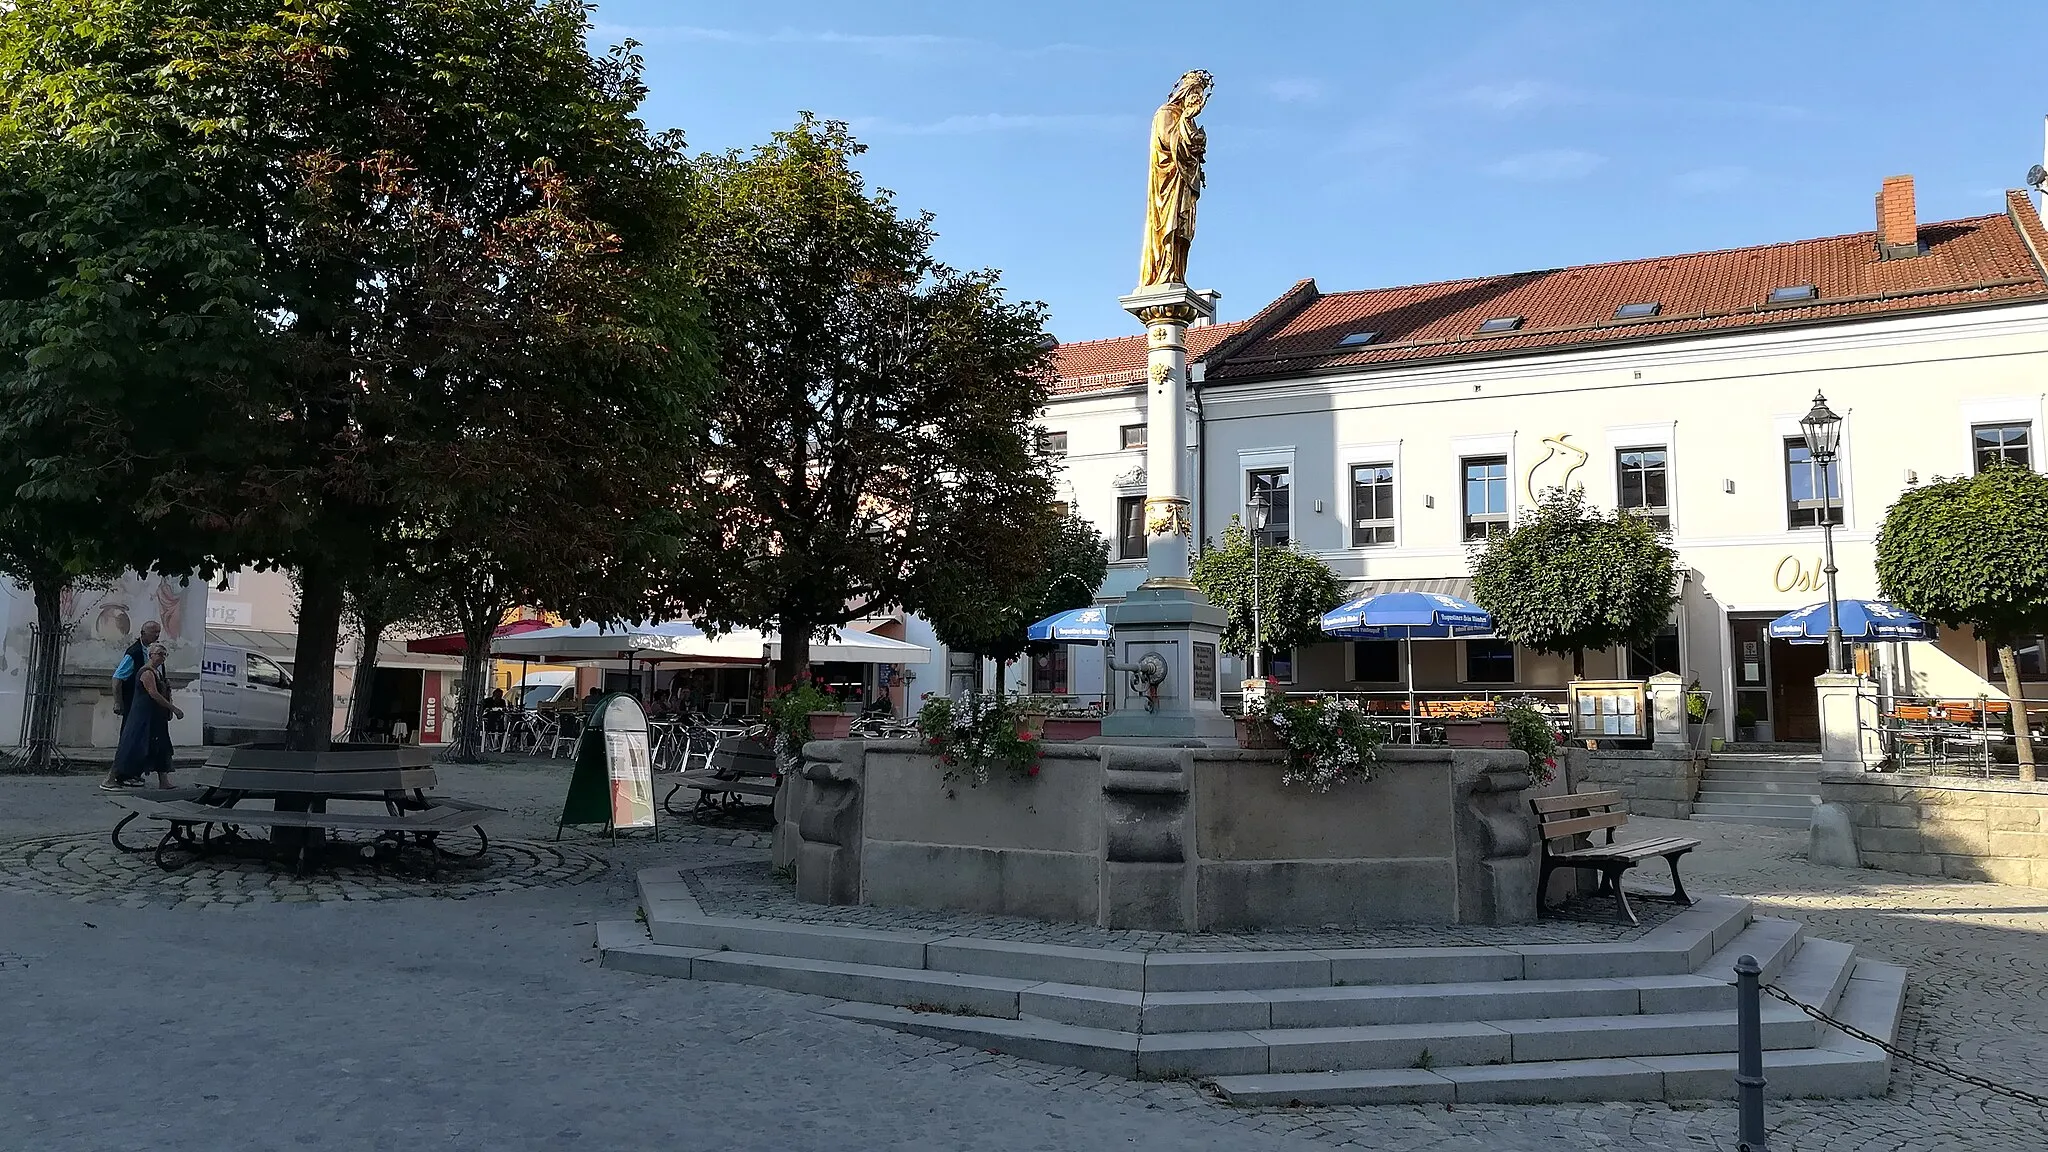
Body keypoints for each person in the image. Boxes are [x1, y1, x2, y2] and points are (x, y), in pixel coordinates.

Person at [104, 642, 181, 790]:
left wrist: (168, 703)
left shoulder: (159, 673)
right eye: (159, 654)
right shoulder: (147, 672)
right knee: (131, 746)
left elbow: (163, 691)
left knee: (161, 746)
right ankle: (111, 778)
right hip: (141, 717)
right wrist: (174, 709)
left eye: (164, 655)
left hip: (156, 717)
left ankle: (163, 781)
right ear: (151, 655)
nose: (162, 657)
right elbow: (153, 693)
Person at [109, 621, 161, 719]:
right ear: (143, 633)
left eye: (158, 632)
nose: (157, 636)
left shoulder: (156, 650)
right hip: (135, 700)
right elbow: (117, 678)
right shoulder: (134, 652)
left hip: (152, 701)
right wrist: (118, 702)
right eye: (153, 633)